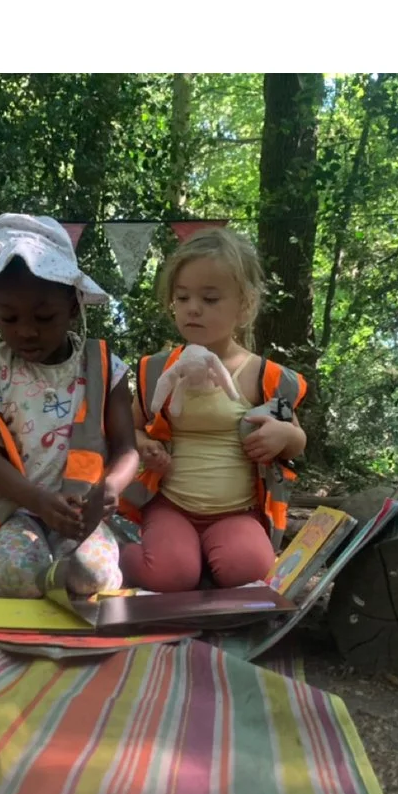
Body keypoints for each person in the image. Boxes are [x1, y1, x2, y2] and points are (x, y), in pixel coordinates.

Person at [0, 216, 143, 601]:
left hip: (83, 515)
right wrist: (38, 502)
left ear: (72, 303)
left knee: (91, 575)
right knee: (19, 577)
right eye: (9, 318)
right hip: (16, 510)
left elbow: (127, 448)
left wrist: (111, 487)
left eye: (43, 317)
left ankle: (60, 569)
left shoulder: (103, 365)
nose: (26, 331)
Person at [116, 228, 310, 592]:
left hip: (237, 511)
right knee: (170, 575)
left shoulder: (263, 376)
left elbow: (297, 439)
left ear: (245, 305)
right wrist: (144, 445)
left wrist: (282, 435)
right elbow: (128, 430)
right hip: (171, 505)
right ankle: (115, 551)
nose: (192, 308)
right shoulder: (158, 370)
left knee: (250, 569)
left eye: (209, 298)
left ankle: (203, 560)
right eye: (182, 296)